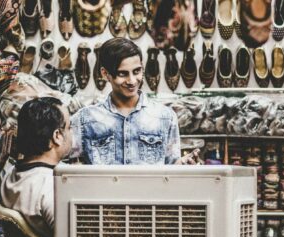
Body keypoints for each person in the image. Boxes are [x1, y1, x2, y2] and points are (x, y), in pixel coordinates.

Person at [70, 37, 200, 165]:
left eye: (137, 71)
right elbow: (63, 165)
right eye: (123, 74)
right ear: (105, 74)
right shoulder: (85, 119)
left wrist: (183, 164)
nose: (132, 81)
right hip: (104, 187)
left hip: (150, 187)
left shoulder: (166, 117)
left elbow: (171, 166)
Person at [0, 97, 72, 237]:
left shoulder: (10, 175)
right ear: (57, 136)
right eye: (69, 127)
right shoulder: (52, 188)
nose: (71, 133)